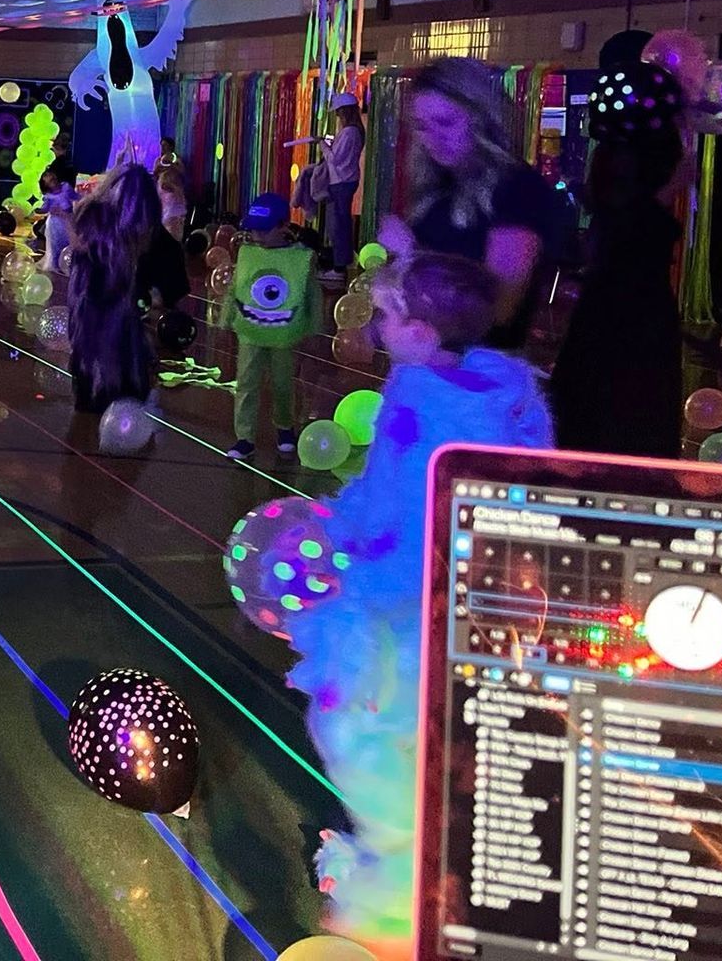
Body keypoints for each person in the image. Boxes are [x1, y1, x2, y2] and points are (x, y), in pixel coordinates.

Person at [284, 252, 551, 944]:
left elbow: (400, 514)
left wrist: (349, 560)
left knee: (361, 730)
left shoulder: (431, 408)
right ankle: (409, 865)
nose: (377, 323)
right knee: (422, 743)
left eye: (388, 313)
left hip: (406, 616)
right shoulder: (489, 389)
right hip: (461, 611)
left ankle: (392, 891)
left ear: (422, 333)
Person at [550, 66, 686, 459]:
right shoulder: (637, 195)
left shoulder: (608, 163)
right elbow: (630, 237)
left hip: (603, 318)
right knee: (628, 424)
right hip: (634, 326)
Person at [377, 58, 556, 349]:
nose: (433, 138)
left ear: (480, 116)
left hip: (478, 374)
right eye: (422, 126)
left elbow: (499, 310)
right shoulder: (440, 184)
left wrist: (412, 254)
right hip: (432, 363)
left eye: (446, 122)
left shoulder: (516, 186)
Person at [67, 164, 188, 414]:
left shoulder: (96, 216)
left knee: (100, 358)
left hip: (100, 306)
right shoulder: (110, 221)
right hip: (106, 306)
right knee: (112, 359)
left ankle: (99, 399)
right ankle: (109, 400)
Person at [220, 192, 316, 461]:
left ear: (283, 226)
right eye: (253, 230)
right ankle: (244, 437)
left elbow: (310, 294)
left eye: (264, 230)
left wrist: (311, 327)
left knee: (283, 382)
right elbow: (237, 287)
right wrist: (226, 317)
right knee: (246, 382)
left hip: (283, 334)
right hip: (250, 330)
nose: (257, 236)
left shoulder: (300, 259)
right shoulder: (249, 253)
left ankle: (285, 427)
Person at [317, 94, 366, 282]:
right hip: (349, 180)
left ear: (344, 112)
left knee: (338, 226)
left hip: (340, 182)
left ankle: (339, 268)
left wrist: (322, 144)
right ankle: (342, 262)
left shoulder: (348, 133)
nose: (338, 117)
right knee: (341, 224)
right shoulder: (357, 132)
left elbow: (334, 159)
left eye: (339, 113)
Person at [39, 161, 77, 272]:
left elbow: (74, 196)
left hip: (68, 218)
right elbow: (45, 208)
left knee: (70, 241)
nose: (54, 182)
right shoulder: (49, 197)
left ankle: (68, 263)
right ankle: (56, 264)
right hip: (55, 222)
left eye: (53, 178)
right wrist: (41, 210)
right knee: (56, 243)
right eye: (50, 181)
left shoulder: (65, 187)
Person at [153, 137, 188, 244]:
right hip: (162, 196)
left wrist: (172, 165)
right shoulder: (159, 161)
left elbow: (183, 173)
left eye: (165, 145)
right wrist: (157, 169)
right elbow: (155, 175)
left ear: (171, 147)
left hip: (173, 196)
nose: (162, 148)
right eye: (161, 145)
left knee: (173, 224)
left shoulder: (176, 160)